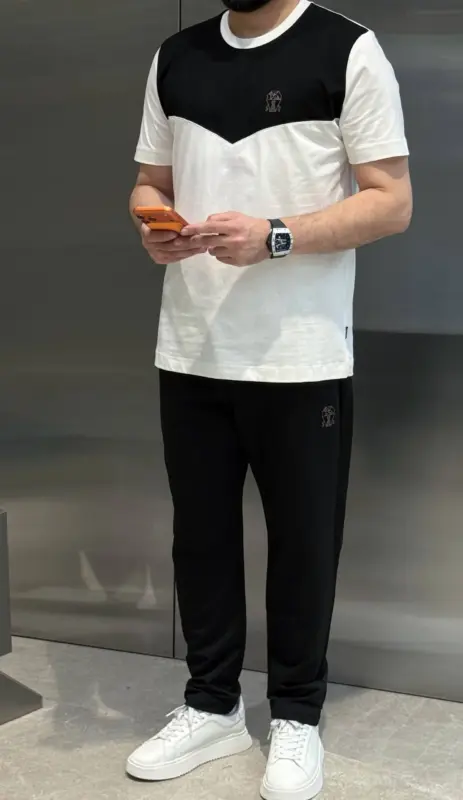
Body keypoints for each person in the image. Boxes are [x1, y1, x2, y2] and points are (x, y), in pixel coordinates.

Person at [126, 1, 412, 797]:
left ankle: (295, 715)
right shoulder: (176, 57)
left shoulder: (346, 49)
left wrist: (275, 235)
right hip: (191, 347)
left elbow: (391, 201)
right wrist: (152, 225)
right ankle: (211, 706)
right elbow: (150, 181)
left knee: (303, 545)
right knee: (200, 540)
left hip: (301, 357)